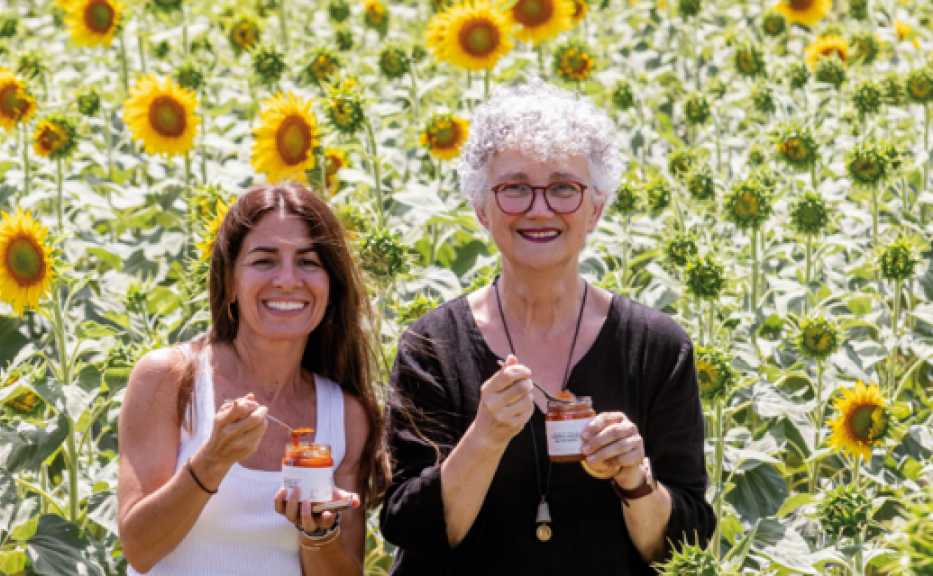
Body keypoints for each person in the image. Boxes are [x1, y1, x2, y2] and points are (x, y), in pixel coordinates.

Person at [380, 79, 716, 575]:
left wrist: (633, 478)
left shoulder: (657, 348)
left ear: (596, 209)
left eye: (564, 187)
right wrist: (486, 437)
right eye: (514, 188)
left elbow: (680, 548)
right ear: (482, 210)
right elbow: (410, 528)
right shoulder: (431, 346)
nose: (540, 208)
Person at [118, 182, 388, 575]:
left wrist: (316, 533)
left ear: (331, 288)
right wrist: (211, 461)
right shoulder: (170, 379)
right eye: (265, 260)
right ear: (229, 283)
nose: (288, 280)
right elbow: (140, 549)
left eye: (309, 262)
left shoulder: (345, 415)